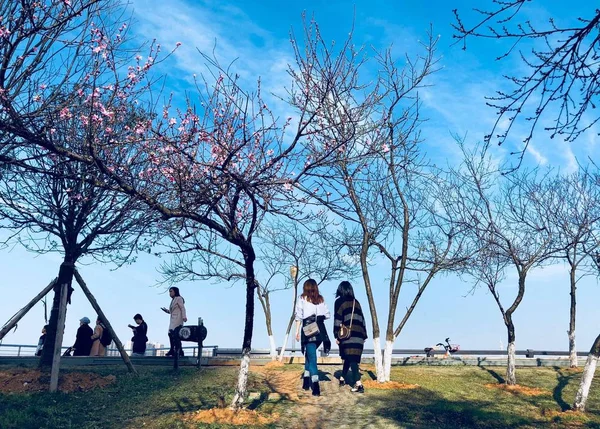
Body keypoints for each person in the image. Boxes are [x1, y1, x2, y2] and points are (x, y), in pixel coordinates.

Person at [295, 279, 331, 396]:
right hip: (320, 331)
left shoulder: (302, 298)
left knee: (312, 357)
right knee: (310, 355)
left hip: (309, 329)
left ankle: (315, 386)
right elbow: (327, 315)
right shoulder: (320, 299)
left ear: (305, 287)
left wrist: (296, 332)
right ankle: (306, 379)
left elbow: (299, 316)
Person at [334, 281, 368, 393]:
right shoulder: (356, 302)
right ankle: (343, 377)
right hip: (359, 334)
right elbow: (363, 319)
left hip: (347, 335)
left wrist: (336, 335)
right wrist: (364, 335)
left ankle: (359, 384)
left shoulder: (339, 302)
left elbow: (338, 319)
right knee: (349, 357)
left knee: (351, 358)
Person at [161, 287, 187, 357]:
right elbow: (172, 311)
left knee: (174, 334)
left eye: (171, 291)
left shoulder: (179, 298)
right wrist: (166, 311)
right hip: (173, 319)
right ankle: (177, 350)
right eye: (169, 292)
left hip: (178, 319)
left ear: (175, 291)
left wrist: (184, 316)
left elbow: (182, 308)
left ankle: (174, 350)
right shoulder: (173, 300)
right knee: (171, 334)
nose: (170, 293)